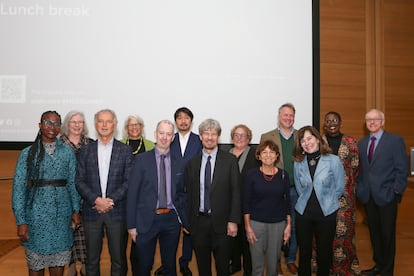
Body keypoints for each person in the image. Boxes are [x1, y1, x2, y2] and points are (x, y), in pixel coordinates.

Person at [12, 110, 81, 276]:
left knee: (58, 264)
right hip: (35, 217)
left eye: (57, 124)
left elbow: (72, 183)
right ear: (40, 125)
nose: (52, 127)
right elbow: (19, 189)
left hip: (61, 217)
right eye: (48, 123)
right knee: (36, 265)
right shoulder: (27, 153)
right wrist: (21, 221)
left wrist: (76, 210)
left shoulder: (67, 152)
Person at [127, 119, 189, 276]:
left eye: (168, 134)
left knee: (169, 266)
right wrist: (131, 226)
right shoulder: (141, 160)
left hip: (171, 220)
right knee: (144, 266)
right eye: (161, 133)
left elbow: (182, 193)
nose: (164, 137)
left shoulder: (180, 162)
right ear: (155, 134)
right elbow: (132, 194)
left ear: (173, 138)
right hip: (146, 220)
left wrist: (182, 218)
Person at [75, 109, 133, 276]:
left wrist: (110, 201)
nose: (105, 125)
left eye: (108, 121)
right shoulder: (85, 150)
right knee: (91, 260)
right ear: (95, 125)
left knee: (118, 260)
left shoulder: (125, 150)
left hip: (117, 212)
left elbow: (129, 181)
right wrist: (96, 200)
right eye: (101, 121)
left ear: (114, 125)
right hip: (92, 212)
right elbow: (79, 180)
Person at [185, 118, 241, 276]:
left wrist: (233, 221)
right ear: (201, 136)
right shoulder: (192, 163)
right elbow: (188, 194)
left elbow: (236, 192)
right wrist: (187, 220)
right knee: (203, 267)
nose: (210, 137)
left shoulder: (230, 161)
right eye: (206, 133)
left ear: (218, 137)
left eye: (213, 134)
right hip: (198, 223)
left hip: (223, 224)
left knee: (223, 267)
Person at [357, 109, 408, 276]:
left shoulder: (395, 141)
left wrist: (396, 191)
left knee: (387, 236)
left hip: (387, 197)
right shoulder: (362, 143)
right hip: (368, 197)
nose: (372, 122)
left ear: (382, 121)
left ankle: (387, 271)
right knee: (375, 235)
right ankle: (378, 265)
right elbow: (362, 170)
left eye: (376, 119)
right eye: (369, 120)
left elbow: (402, 169)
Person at [154, 107, 203, 276]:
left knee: (188, 229)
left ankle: (184, 262)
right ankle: (167, 264)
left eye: (186, 117)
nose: (183, 121)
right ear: (175, 121)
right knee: (167, 230)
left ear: (191, 120)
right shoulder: (169, 139)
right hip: (170, 192)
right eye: (179, 118)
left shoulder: (199, 140)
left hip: (192, 191)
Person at [293, 126, 344, 276]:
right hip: (304, 213)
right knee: (304, 253)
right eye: (303, 141)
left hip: (326, 213)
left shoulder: (333, 160)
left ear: (317, 139)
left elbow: (339, 187)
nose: (306, 143)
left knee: (324, 253)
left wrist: (328, 201)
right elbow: (299, 187)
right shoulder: (298, 162)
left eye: (309, 138)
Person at [260, 102, 298, 275]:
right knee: (275, 227)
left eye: (291, 115)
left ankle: (290, 259)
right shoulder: (267, 136)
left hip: (297, 190)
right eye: (285, 115)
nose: (288, 118)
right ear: (279, 116)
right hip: (275, 190)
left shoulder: (301, 136)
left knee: (294, 226)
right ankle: (275, 262)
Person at [243, 140, 291, 276]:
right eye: (264, 152)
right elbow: (246, 203)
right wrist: (247, 227)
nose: (268, 155)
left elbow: (287, 202)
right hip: (256, 224)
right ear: (259, 156)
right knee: (257, 266)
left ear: (277, 155)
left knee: (272, 265)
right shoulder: (251, 175)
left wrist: (288, 225)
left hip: (278, 225)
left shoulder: (283, 175)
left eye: (271, 152)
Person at [322, 111, 360, 275]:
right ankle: (325, 268)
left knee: (344, 234)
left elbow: (356, 168)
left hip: (346, 198)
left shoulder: (351, 142)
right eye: (328, 120)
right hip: (322, 197)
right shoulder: (318, 141)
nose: (331, 123)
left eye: (335, 120)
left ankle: (345, 269)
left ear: (340, 122)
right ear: (325, 123)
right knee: (324, 234)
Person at [60, 110, 93, 276]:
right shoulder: (59, 145)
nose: (77, 125)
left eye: (80, 122)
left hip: (87, 196)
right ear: (67, 124)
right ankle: (71, 265)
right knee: (68, 232)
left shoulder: (91, 144)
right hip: (64, 197)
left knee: (87, 233)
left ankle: (87, 265)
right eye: (73, 122)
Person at [121, 114, 154, 276]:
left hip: (142, 200)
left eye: (137, 125)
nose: (134, 128)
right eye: (130, 125)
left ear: (141, 127)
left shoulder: (150, 145)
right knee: (120, 242)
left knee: (139, 241)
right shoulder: (119, 145)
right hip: (121, 199)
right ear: (126, 129)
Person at [229, 124, 259, 276]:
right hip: (229, 205)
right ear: (232, 137)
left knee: (247, 239)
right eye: (236, 135)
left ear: (249, 138)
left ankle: (248, 269)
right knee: (231, 238)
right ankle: (235, 265)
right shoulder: (225, 154)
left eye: (243, 135)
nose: (239, 138)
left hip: (248, 205)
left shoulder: (255, 155)